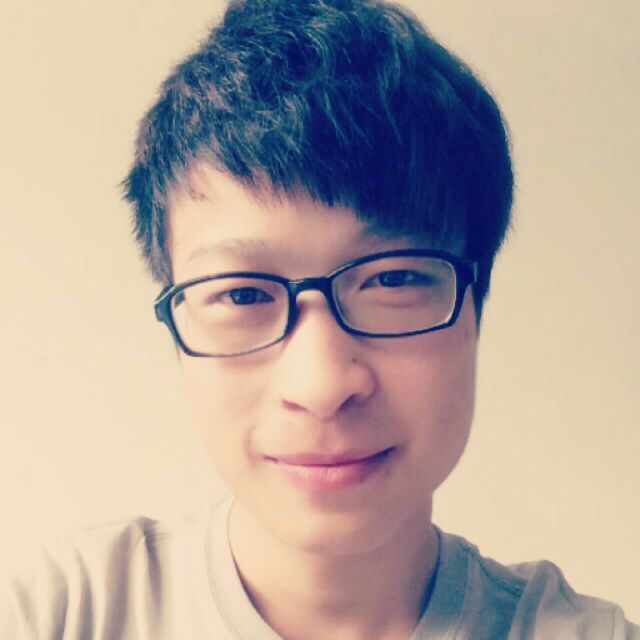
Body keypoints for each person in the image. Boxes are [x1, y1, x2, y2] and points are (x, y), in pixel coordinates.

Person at [2, 0, 638, 638]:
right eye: (242, 295)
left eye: (392, 279)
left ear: (475, 308)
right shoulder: (62, 615)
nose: (322, 385)